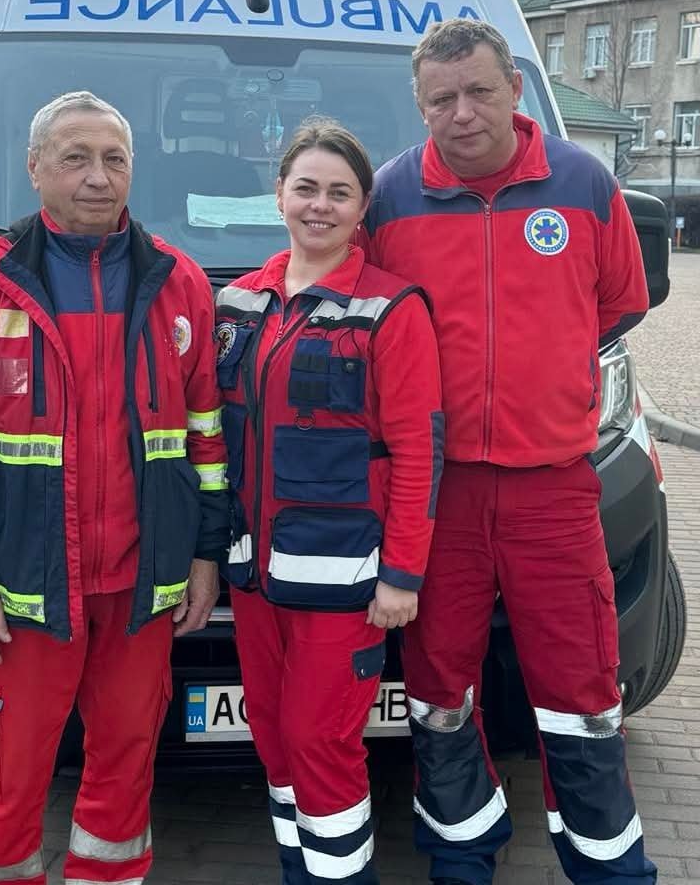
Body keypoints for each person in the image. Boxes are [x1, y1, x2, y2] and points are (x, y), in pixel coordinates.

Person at [362, 19, 656, 885]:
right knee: (438, 693)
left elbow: (617, 303)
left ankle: (610, 870)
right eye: (441, 99)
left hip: (553, 489)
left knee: (582, 695)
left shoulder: (583, 182)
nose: (462, 113)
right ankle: (461, 859)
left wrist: (541, 377)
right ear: (420, 106)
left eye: (479, 92)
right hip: (439, 494)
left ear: (516, 90)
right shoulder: (390, 197)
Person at [0, 91, 229, 885]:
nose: (97, 177)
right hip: (25, 590)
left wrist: (203, 557)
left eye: (114, 159)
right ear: (35, 169)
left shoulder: (181, 284)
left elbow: (205, 438)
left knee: (126, 766)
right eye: (75, 158)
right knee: (9, 774)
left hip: (141, 587)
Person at [215, 120, 444, 885]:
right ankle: (300, 869)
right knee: (275, 740)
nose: (320, 205)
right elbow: (214, 441)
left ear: (362, 207)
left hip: (345, 582)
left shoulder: (391, 308)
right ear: (278, 194)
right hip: (255, 578)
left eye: (339, 193)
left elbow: (418, 451)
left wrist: (402, 576)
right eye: (306, 188)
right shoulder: (239, 302)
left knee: (321, 742)